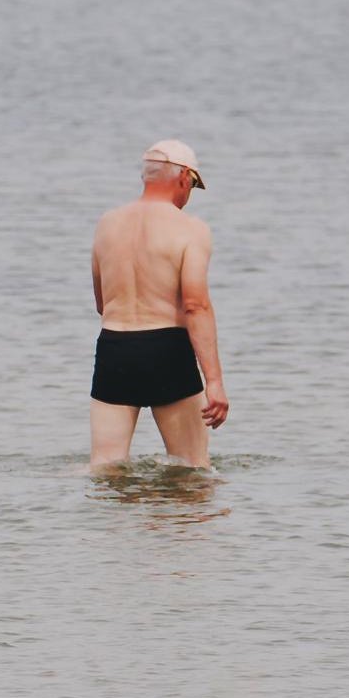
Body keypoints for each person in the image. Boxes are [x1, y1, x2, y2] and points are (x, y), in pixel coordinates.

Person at [89, 140, 228, 470]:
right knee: (193, 468)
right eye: (193, 185)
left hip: (114, 349)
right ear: (184, 178)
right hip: (167, 350)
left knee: (105, 468)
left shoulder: (107, 224)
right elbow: (195, 306)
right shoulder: (191, 229)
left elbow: (101, 302)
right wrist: (215, 382)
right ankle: (180, 524)